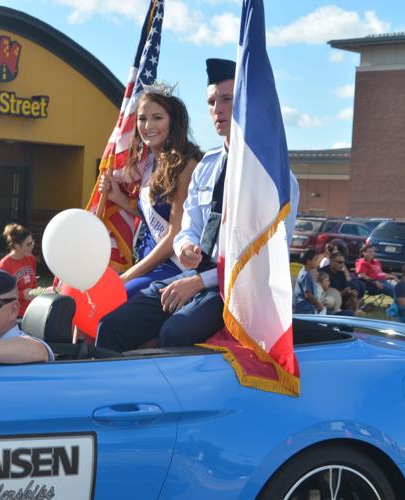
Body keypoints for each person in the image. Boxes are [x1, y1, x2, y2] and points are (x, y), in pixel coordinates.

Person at [96, 58, 300, 351]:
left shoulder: (274, 178)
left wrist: (199, 281)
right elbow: (188, 227)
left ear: (249, 103)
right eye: (211, 102)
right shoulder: (208, 165)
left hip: (235, 291)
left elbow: (264, 261)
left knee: (175, 333)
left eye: (227, 99)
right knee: (112, 325)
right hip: (191, 275)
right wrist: (185, 247)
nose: (218, 109)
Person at [98, 89, 202, 297]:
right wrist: (117, 197)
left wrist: (128, 276)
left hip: (172, 265)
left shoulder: (186, 164)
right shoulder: (149, 164)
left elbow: (175, 234)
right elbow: (150, 215)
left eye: (157, 118)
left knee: (113, 300)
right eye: (142, 119)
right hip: (147, 262)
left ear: (173, 121)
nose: (148, 126)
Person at [0, 223, 37, 316]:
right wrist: (23, 295)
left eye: (32, 242)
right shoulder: (4, 266)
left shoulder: (31, 259)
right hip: (14, 316)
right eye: (29, 244)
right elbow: (1, 295)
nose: (32, 246)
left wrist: (40, 292)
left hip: (32, 311)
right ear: (17, 246)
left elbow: (33, 284)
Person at [293, 249, 323, 314]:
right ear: (308, 261)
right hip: (304, 308)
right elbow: (308, 295)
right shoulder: (306, 275)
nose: (317, 262)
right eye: (315, 260)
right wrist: (318, 304)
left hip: (303, 306)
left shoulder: (304, 272)